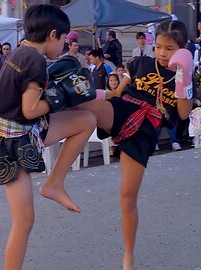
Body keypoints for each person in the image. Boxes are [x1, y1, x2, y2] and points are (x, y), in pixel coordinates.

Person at [0, 5, 96, 270]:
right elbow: (30, 109)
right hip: (13, 142)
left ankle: (54, 184)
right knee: (23, 221)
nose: (63, 46)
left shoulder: (20, 50)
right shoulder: (35, 60)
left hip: (21, 131)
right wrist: (62, 97)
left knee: (86, 121)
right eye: (64, 40)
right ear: (53, 34)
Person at [77, 20, 193, 269]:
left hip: (144, 130)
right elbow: (117, 94)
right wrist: (99, 94)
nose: (162, 53)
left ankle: (128, 256)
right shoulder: (140, 63)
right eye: (159, 47)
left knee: (127, 198)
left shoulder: (183, 75)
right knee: (84, 106)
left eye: (170, 48)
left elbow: (182, 114)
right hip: (124, 108)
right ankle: (39, 144)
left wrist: (184, 77)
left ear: (182, 49)